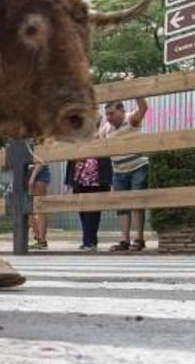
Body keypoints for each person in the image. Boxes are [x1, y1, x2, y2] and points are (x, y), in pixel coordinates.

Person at [99, 99, 151, 251]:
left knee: (136, 203)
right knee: (122, 206)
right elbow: (97, 141)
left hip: (138, 166)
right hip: (119, 170)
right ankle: (124, 240)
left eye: (111, 113)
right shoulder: (106, 129)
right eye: (107, 114)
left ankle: (139, 239)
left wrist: (135, 92)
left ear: (121, 111)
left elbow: (143, 108)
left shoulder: (131, 119)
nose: (108, 117)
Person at [64, 124, 112, 252]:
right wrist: (69, 183)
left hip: (96, 181)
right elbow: (71, 163)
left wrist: (107, 181)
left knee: (93, 213)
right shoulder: (77, 140)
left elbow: (106, 160)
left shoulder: (100, 137)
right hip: (79, 181)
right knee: (83, 213)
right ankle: (88, 241)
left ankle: (90, 241)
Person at [26, 143, 52, 250]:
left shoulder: (41, 138)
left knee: (40, 207)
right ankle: (37, 237)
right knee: (27, 208)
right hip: (25, 172)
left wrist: (32, 177)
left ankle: (42, 239)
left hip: (39, 173)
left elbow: (43, 158)